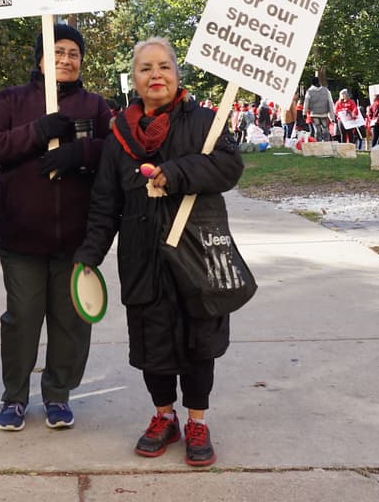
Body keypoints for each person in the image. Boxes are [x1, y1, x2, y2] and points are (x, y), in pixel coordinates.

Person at [73, 37, 243, 467]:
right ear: (135, 78)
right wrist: (90, 254)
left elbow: (228, 167)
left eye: (164, 67)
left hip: (196, 251)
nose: (156, 76)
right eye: (146, 68)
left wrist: (175, 172)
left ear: (176, 74)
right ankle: (163, 415)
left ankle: (197, 420)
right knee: (153, 340)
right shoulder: (119, 133)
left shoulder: (205, 121)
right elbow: (105, 201)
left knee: (198, 339)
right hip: (142, 254)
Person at [0, 24, 111, 432]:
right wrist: (36, 132)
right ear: (39, 58)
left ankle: (58, 395)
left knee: (71, 321)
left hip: (76, 239)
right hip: (22, 237)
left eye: (73, 53)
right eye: (58, 52)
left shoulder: (94, 105)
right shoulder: (12, 99)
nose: (66, 59)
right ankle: (15, 398)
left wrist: (79, 153)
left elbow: (116, 151)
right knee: (23, 319)